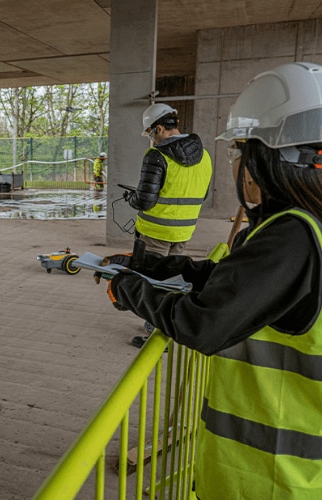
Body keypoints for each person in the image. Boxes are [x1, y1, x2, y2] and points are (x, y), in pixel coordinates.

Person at [103, 61, 322, 498]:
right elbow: (243, 283)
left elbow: (202, 324)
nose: (236, 164)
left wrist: (127, 288)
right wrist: (166, 268)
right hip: (277, 469)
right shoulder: (305, 226)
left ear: (268, 160)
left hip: (267, 477)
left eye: (240, 150)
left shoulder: (290, 237)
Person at [125, 102, 212, 348]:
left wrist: (131, 198)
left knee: (151, 281)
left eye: (152, 133)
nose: (151, 139)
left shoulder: (157, 155)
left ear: (160, 128)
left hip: (154, 232)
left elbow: (144, 200)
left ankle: (155, 333)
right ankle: (168, 326)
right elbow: (201, 195)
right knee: (172, 279)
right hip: (184, 230)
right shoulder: (204, 156)